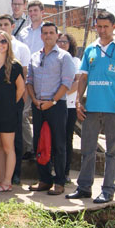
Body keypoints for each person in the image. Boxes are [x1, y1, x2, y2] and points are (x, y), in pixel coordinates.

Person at [67, 12, 115, 204]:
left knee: (112, 151)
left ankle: (108, 190)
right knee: (87, 149)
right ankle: (83, 188)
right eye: (99, 26)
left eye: (106, 26)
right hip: (92, 107)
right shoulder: (91, 49)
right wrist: (79, 101)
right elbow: (83, 77)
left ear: (114, 27)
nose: (102, 30)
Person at [26, 22, 75, 196]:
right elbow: (29, 81)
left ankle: (59, 181)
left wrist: (52, 102)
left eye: (51, 33)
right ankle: (44, 180)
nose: (48, 36)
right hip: (38, 105)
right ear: (41, 36)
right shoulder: (34, 57)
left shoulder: (64, 57)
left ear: (56, 35)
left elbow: (66, 83)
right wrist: (34, 100)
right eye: (45, 33)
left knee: (59, 144)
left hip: (56, 106)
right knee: (40, 143)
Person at [0, 14, 31, 185]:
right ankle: (0, 179)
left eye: (3, 41)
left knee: (8, 148)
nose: (0, 45)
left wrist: (11, 107)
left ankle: (7, 182)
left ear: (9, 43)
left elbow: (21, 89)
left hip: (8, 113)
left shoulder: (15, 64)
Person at [17, 0, 45, 160]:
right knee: (23, 113)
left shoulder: (47, 30)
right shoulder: (24, 33)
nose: (33, 13)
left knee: (42, 116)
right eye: (31, 11)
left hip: (43, 76)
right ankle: (30, 148)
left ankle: (42, 150)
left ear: (42, 12)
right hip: (26, 77)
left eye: (36, 10)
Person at [56, 33, 81, 184]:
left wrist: (58, 95)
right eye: (59, 41)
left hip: (69, 105)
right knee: (54, 139)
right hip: (54, 104)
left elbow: (77, 83)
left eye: (65, 42)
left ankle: (65, 172)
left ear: (70, 44)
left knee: (66, 139)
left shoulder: (75, 61)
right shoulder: (54, 59)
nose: (62, 44)